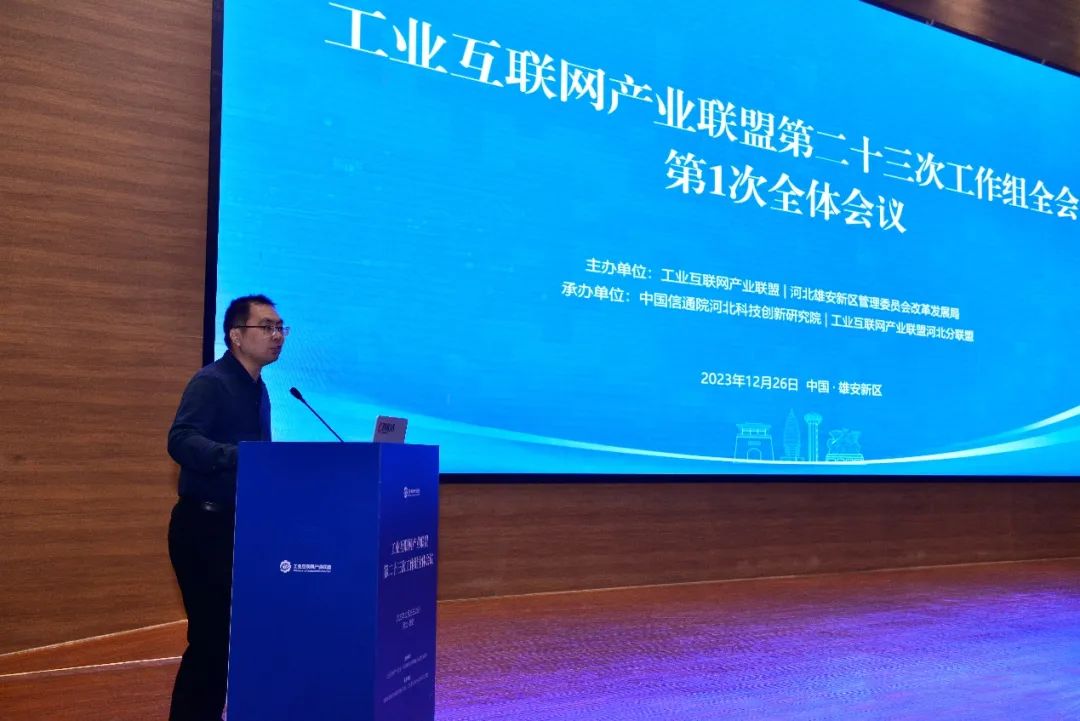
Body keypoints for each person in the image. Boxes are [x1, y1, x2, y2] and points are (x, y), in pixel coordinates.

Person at [166, 294, 287, 721]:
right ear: (236, 335)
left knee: (230, 642)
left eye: (281, 328)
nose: (277, 335)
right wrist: (237, 456)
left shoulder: (259, 389)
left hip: (239, 528)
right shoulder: (211, 382)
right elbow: (181, 439)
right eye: (267, 327)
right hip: (204, 526)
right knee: (211, 642)